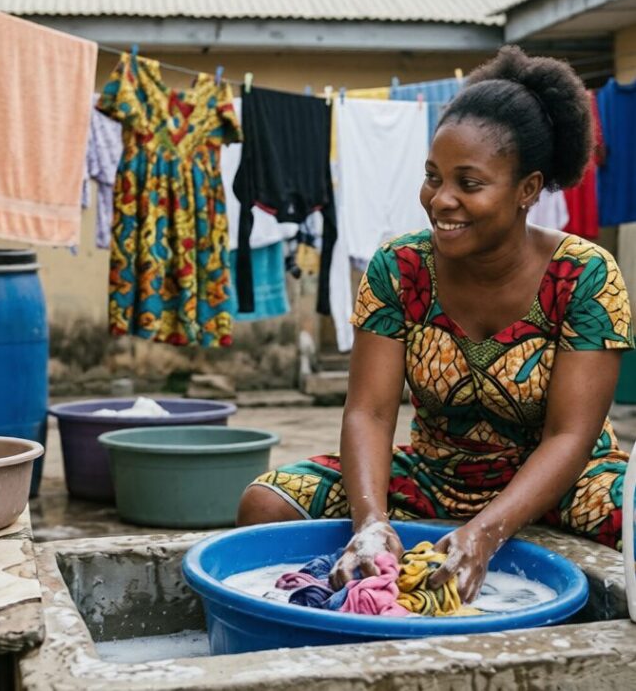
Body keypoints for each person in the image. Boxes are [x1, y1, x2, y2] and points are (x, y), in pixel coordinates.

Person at [236, 46, 634, 605]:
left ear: (527, 189)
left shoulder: (584, 275)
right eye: (432, 176)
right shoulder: (400, 268)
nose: (440, 199)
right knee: (266, 504)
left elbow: (570, 436)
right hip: (435, 477)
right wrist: (371, 522)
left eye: (468, 183)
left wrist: (485, 534)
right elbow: (370, 411)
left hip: (564, 485)